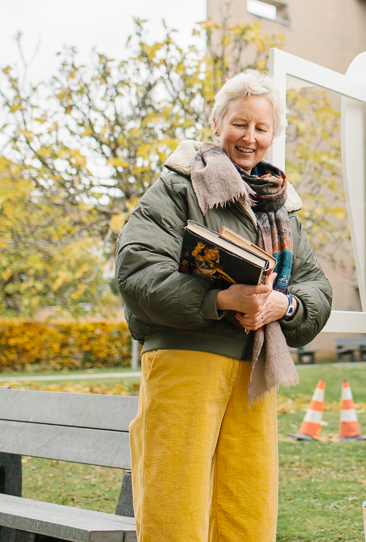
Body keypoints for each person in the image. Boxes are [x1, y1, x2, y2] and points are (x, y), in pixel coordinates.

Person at [115, 71, 333, 542]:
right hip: (184, 361)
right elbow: (135, 272)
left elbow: (317, 288)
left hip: (254, 369)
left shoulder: (281, 206)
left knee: (248, 508)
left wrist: (285, 305)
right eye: (239, 124)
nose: (249, 138)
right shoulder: (177, 188)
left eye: (261, 128)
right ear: (216, 124)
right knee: (175, 503)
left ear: (273, 136)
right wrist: (218, 299)